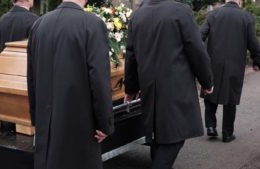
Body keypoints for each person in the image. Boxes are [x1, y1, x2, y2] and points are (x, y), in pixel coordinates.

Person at [124, 0, 214, 168]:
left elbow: (131, 56)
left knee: (159, 138)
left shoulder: (137, 16)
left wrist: (130, 88)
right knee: (173, 140)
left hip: (149, 88)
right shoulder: (180, 11)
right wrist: (207, 81)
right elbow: (196, 49)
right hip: (176, 88)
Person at [27, 0, 114, 168]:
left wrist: (37, 118)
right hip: (80, 125)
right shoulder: (92, 24)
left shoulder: (39, 24)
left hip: (47, 123)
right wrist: (105, 124)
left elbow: (31, 77)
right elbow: (99, 79)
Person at [201, 0, 260, 143]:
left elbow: (199, 35)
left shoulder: (213, 14)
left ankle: (210, 127)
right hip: (235, 64)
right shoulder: (247, 17)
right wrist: (257, 61)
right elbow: (253, 42)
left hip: (213, 62)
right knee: (230, 98)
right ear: (239, 2)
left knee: (210, 91)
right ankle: (227, 134)